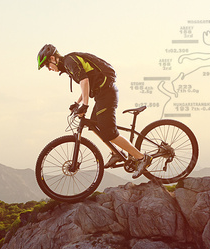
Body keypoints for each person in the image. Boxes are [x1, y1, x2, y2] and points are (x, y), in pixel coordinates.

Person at [37, 44, 152, 178]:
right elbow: (85, 84)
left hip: (107, 93)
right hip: (101, 95)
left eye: (47, 65)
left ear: (52, 58)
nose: (49, 69)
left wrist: (85, 105)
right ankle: (116, 153)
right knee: (95, 125)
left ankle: (142, 158)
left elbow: (84, 80)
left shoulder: (69, 61)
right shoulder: (68, 65)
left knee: (110, 132)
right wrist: (78, 103)